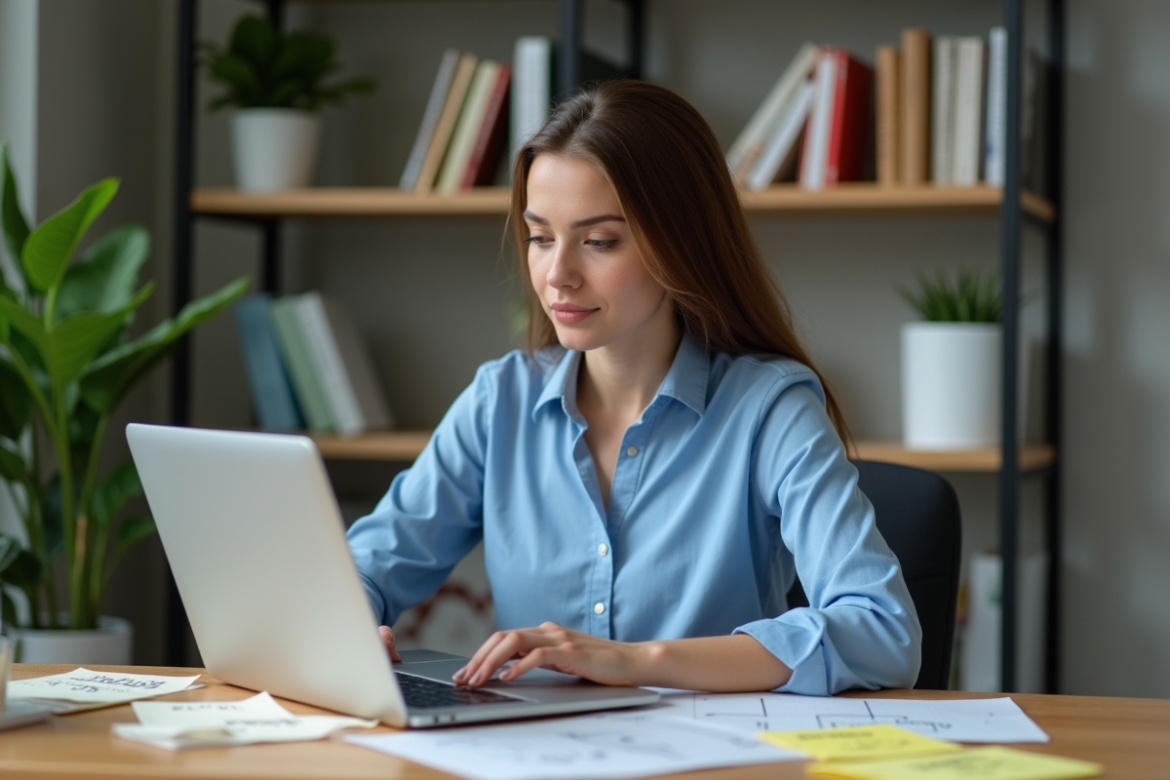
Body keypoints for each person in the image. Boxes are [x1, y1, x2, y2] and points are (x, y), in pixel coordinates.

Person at [347, 80, 921, 695]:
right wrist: (347, 618)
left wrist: (636, 661)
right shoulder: (500, 400)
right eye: (541, 237)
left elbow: (882, 632)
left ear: (679, 243)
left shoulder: (769, 409)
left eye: (599, 241)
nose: (557, 274)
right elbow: (369, 565)